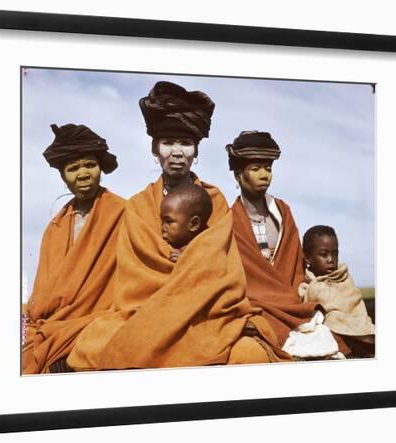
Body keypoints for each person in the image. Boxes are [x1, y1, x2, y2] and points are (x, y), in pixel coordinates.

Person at [67, 82, 289, 370]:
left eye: (185, 143)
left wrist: (191, 264)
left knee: (250, 353)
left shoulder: (215, 200)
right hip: (147, 308)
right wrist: (188, 266)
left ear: (196, 151)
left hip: (206, 312)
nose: (177, 152)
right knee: (92, 346)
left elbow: (224, 271)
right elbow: (136, 276)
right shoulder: (137, 205)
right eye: (168, 142)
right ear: (154, 149)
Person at [226, 130, 349, 359]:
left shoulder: (282, 212)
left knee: (328, 331)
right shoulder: (228, 220)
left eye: (268, 168)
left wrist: (298, 291)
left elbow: (294, 264)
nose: (265, 175)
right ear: (238, 175)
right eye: (255, 169)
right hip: (252, 300)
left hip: (290, 297)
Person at [22, 123, 125, 374]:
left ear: (101, 168)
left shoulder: (125, 213)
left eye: (90, 164)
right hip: (54, 325)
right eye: (72, 168)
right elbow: (43, 291)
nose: (83, 174)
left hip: (101, 321)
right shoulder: (55, 227)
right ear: (62, 176)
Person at [299, 225, 375, 357]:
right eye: (324, 254)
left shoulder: (343, 277)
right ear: (308, 258)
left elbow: (354, 302)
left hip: (358, 325)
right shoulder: (308, 285)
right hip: (333, 331)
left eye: (335, 253)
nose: (331, 260)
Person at [160, 183, 212, 263]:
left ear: (194, 224)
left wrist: (187, 262)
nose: (163, 227)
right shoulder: (164, 245)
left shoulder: (209, 247)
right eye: (162, 221)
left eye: (169, 221)